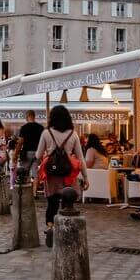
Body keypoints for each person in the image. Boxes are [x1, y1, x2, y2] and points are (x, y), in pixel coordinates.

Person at [33, 104, 89, 248]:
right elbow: (81, 158)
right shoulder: (73, 134)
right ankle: (65, 230)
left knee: (51, 204)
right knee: (67, 203)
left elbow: (38, 155)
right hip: (68, 174)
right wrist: (86, 177)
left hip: (52, 174)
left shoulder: (46, 133)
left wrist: (47, 154)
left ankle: (50, 227)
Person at [15, 110, 45, 179]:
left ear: (27, 116)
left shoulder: (24, 128)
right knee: (35, 173)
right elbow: (43, 142)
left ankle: (27, 188)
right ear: (34, 117)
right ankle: (34, 190)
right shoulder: (40, 127)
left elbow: (20, 142)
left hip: (27, 153)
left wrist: (16, 154)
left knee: (24, 172)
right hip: (37, 153)